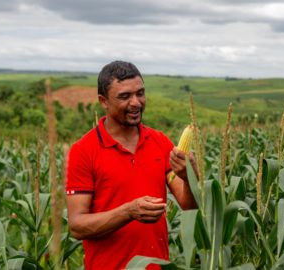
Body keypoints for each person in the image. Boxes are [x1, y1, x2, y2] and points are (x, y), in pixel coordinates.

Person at [65, 60, 198, 270]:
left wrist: (189, 176)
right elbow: (77, 226)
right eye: (125, 96)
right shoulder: (84, 150)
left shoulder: (160, 142)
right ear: (103, 101)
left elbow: (189, 205)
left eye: (140, 93)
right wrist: (128, 212)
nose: (136, 102)